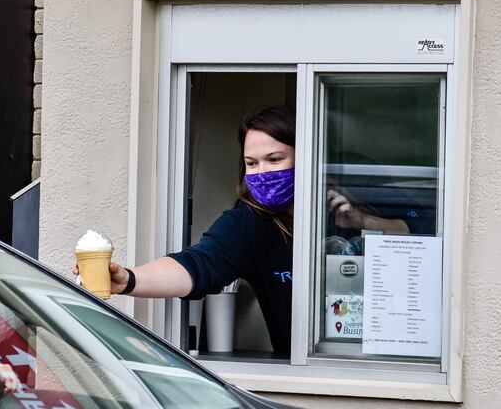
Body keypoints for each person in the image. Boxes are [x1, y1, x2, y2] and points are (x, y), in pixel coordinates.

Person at [75, 105, 412, 355]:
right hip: (311, 371)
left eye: (275, 159)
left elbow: (420, 239)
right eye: (252, 163)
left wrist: (362, 223)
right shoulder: (249, 223)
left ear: (308, 156)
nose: (262, 172)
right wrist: (128, 279)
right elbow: (197, 265)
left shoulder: (349, 200)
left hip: (389, 361)